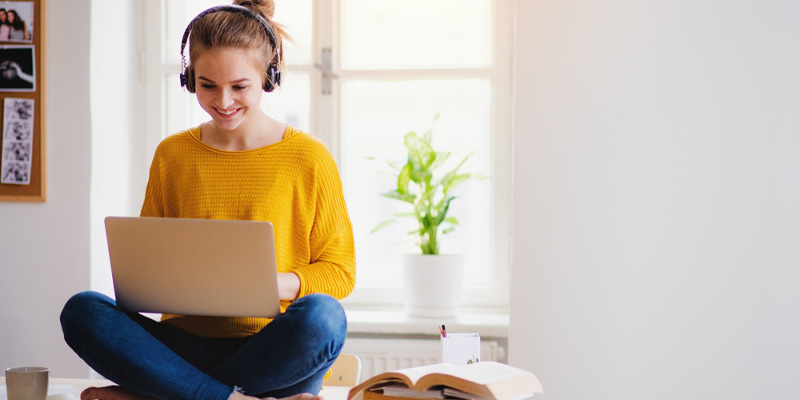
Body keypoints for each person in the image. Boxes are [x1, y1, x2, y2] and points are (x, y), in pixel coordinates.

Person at [59, 1, 357, 400]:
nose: (223, 101)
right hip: (181, 347)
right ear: (189, 78)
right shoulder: (173, 155)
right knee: (83, 312)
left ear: (268, 77)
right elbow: (147, 265)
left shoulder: (309, 157)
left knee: (324, 318)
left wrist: (267, 285)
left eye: (239, 86)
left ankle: (168, 394)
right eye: (208, 85)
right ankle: (229, 397)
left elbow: (340, 272)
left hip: (271, 349)